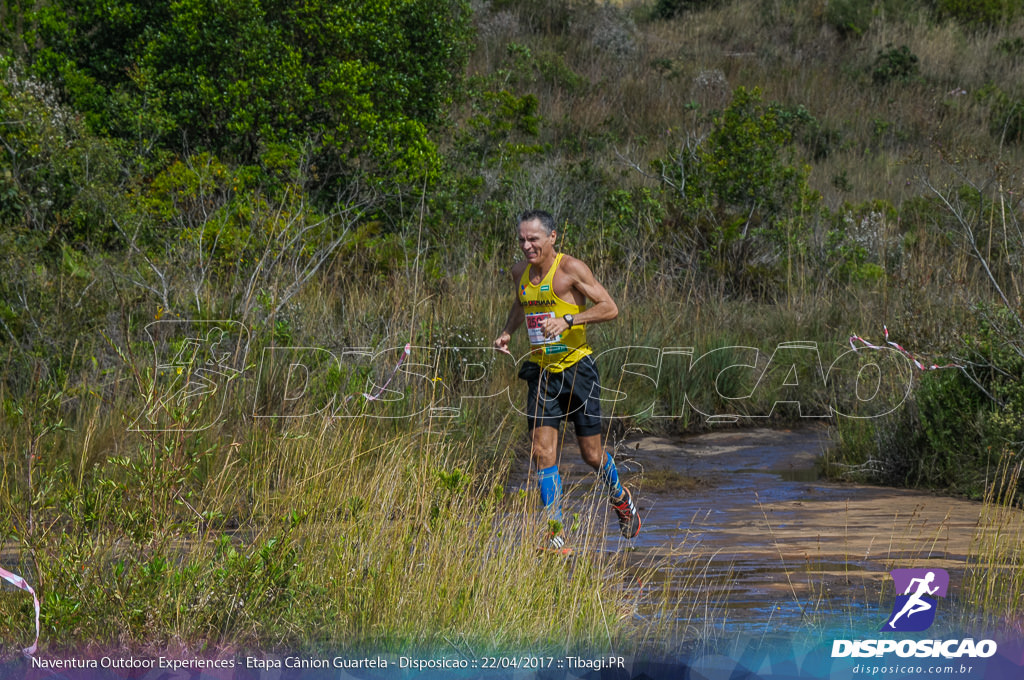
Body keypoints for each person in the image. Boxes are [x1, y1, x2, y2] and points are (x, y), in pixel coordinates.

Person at [494, 209, 640, 551]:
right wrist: (507, 331)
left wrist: (570, 319)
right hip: (542, 372)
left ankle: (620, 497)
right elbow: (521, 303)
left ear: (552, 238)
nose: (527, 246)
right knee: (542, 453)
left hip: (578, 370)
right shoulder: (519, 272)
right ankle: (556, 533)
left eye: (534, 239)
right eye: (522, 240)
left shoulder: (570, 269)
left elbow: (609, 307)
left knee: (591, 454)